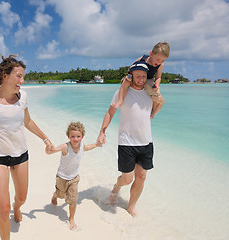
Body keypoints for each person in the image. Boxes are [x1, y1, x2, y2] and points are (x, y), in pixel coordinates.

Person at [0, 55, 54, 240]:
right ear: (5, 75)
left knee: (21, 198)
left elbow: (27, 121)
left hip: (21, 155)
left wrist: (45, 139)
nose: (22, 81)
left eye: (23, 77)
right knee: (3, 209)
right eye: (19, 76)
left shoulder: (23, 97)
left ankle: (18, 207)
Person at [97, 61, 164, 217]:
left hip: (146, 142)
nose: (141, 79)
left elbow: (153, 112)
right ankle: (116, 187)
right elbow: (109, 113)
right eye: (138, 76)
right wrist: (102, 132)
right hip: (126, 142)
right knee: (127, 179)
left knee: (141, 176)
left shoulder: (150, 92)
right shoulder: (123, 92)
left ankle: (131, 206)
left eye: (144, 76)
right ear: (131, 75)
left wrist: (158, 101)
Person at [46, 122, 100, 230]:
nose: (75, 139)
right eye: (73, 136)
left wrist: (96, 144)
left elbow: (87, 147)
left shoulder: (82, 145)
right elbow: (52, 151)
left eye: (78, 136)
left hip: (74, 178)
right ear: (68, 136)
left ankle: (71, 218)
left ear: (82, 137)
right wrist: (49, 148)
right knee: (61, 194)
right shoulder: (65, 146)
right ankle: (55, 195)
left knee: (73, 199)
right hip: (62, 177)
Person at [114, 42, 170, 118]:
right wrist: (130, 76)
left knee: (157, 97)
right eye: (158, 59)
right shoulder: (143, 58)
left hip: (149, 79)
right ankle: (120, 100)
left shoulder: (161, 65)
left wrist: (156, 85)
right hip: (138, 76)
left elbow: (158, 77)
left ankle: (152, 112)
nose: (159, 62)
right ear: (151, 54)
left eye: (163, 60)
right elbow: (132, 67)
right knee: (125, 82)